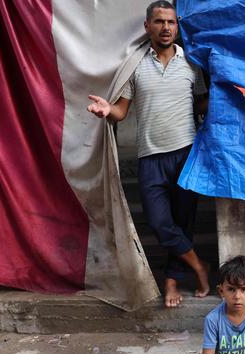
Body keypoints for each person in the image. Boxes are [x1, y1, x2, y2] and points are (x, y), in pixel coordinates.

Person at [86, 0, 209, 308]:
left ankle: (170, 281)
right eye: (159, 22)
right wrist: (107, 110)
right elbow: (121, 111)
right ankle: (198, 266)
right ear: (147, 27)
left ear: (177, 27)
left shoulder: (191, 63)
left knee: (183, 222)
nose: (165, 27)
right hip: (150, 157)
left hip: (186, 155)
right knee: (159, 223)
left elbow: (201, 105)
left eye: (170, 22)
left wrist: (226, 96)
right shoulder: (137, 64)